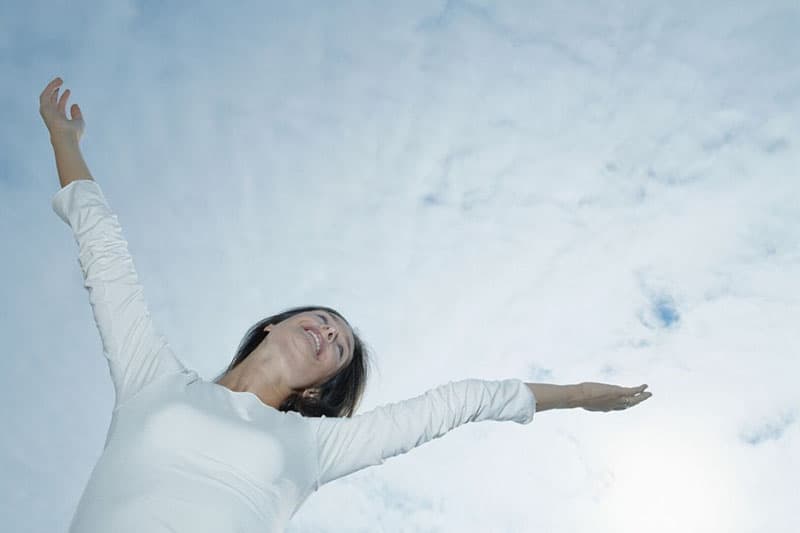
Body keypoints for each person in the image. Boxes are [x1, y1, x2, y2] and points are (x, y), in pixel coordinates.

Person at [40, 76, 653, 533]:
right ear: (275, 324)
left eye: (339, 348)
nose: (329, 333)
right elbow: (104, 255)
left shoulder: (315, 447)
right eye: (325, 321)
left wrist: (573, 395)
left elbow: (462, 402)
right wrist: (64, 139)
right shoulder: (154, 381)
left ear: (318, 390)